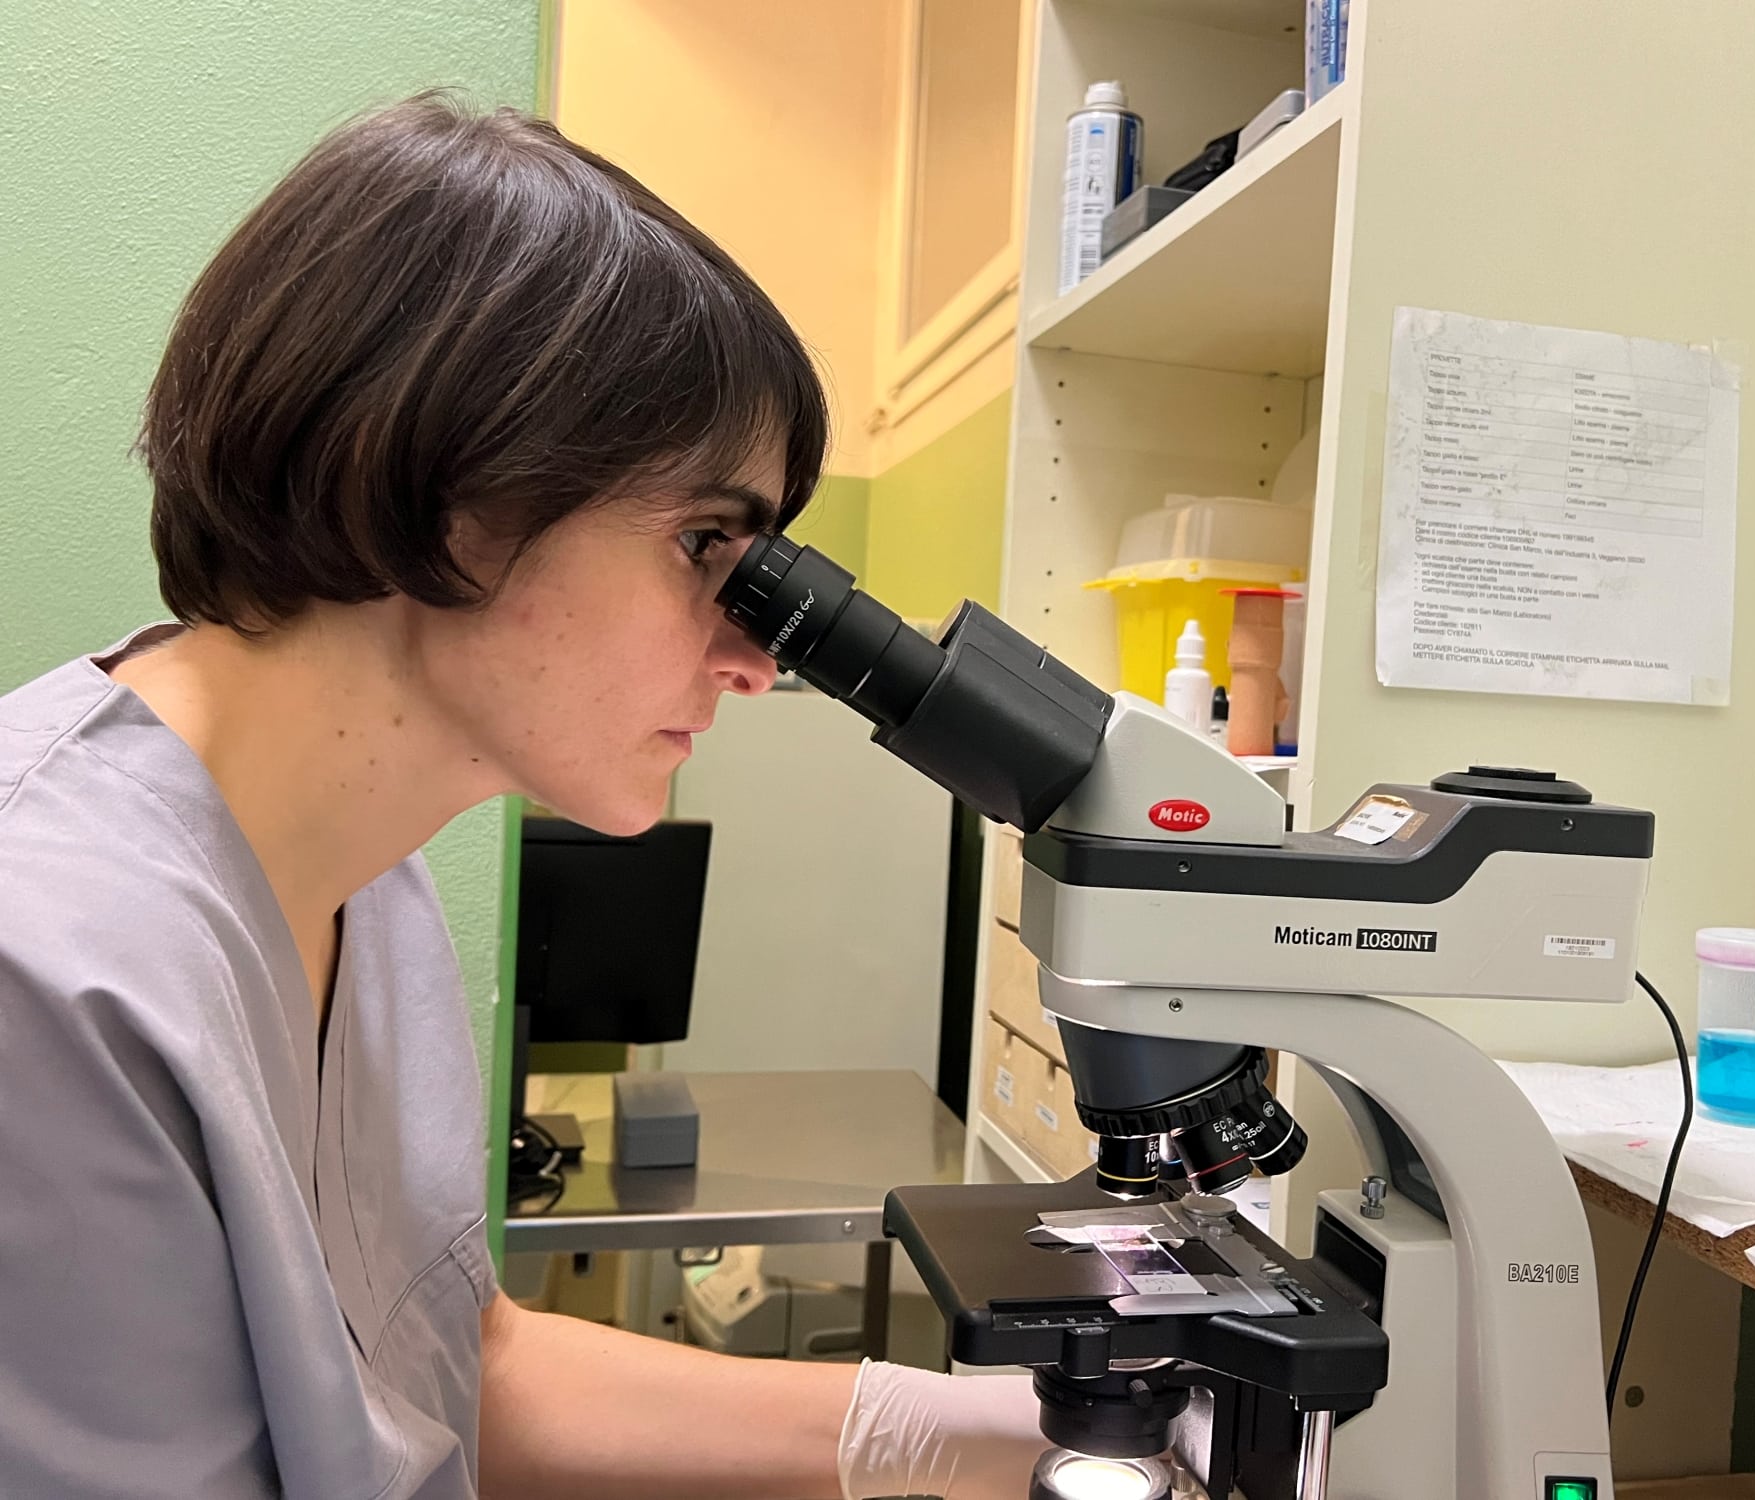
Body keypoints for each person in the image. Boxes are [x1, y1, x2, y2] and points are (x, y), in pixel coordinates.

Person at [0, 94, 1045, 1499]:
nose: (753, 662)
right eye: (705, 542)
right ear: (447, 491)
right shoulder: (44, 975)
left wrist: (952, 1432)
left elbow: (453, 1364)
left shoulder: (363, 868)